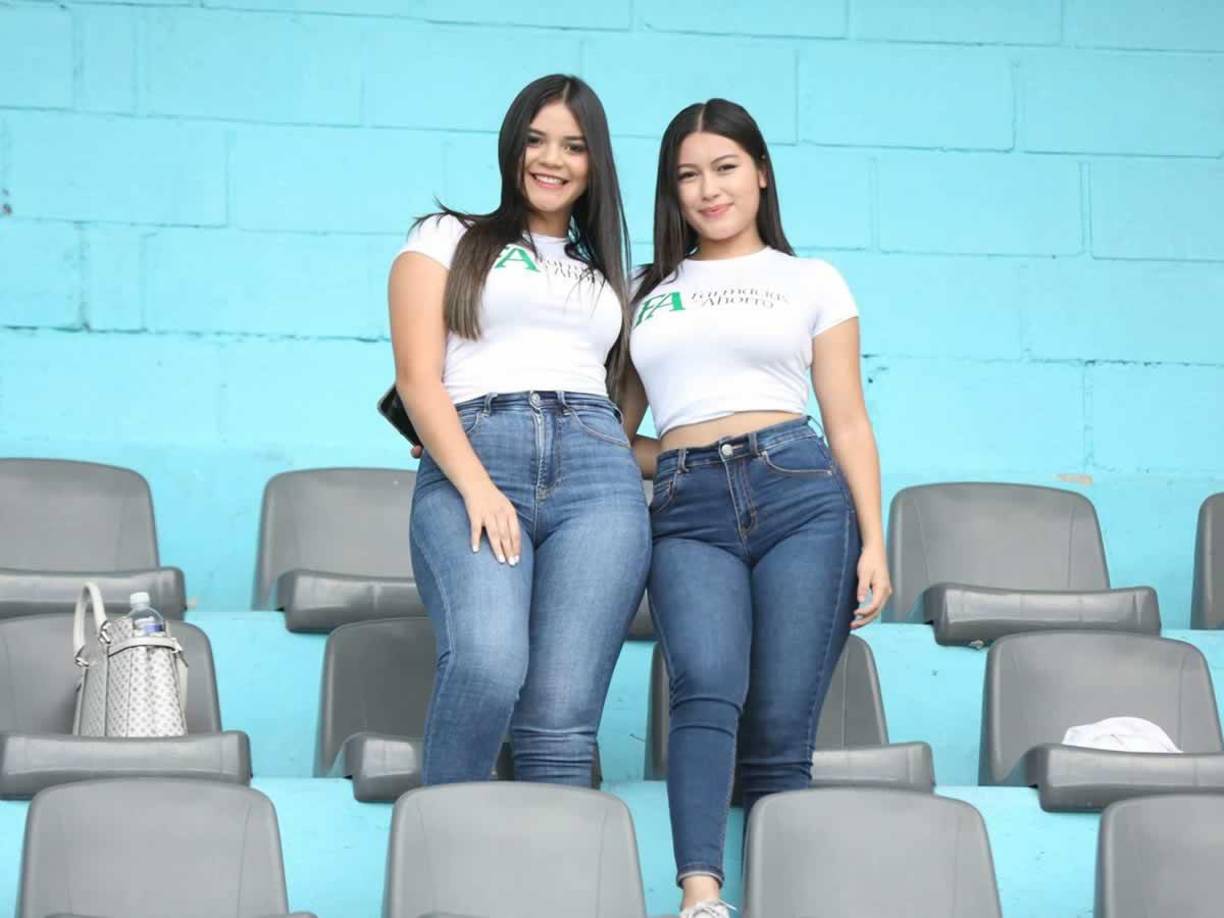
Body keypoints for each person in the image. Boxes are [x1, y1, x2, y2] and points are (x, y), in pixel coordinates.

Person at [621, 98, 893, 918]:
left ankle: (781, 899)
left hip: (801, 495)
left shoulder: (811, 280)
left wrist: (874, 541)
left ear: (761, 172)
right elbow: (614, 429)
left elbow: (847, 419)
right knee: (704, 684)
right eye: (689, 175)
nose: (709, 189)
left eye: (726, 167)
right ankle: (701, 895)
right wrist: (671, 459)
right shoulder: (647, 290)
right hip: (686, 508)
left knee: (779, 722)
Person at [388, 74, 649, 787]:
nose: (551, 159)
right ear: (512, 147)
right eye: (536, 140)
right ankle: (441, 872)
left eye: (573, 145)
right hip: (479, 455)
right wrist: (476, 487)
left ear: (595, 162)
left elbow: (624, 416)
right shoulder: (446, 236)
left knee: (561, 721)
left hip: (598, 478)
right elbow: (418, 380)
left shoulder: (609, 278)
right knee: (487, 661)